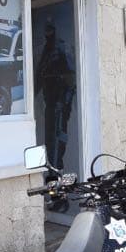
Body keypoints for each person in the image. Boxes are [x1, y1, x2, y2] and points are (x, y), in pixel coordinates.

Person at [35, 19, 76, 170]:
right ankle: (52, 169)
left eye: (50, 30)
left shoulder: (62, 48)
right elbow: (40, 75)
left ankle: (58, 166)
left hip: (61, 101)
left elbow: (71, 78)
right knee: (50, 139)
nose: (48, 34)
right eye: (47, 31)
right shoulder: (46, 50)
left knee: (59, 136)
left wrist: (65, 103)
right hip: (50, 102)